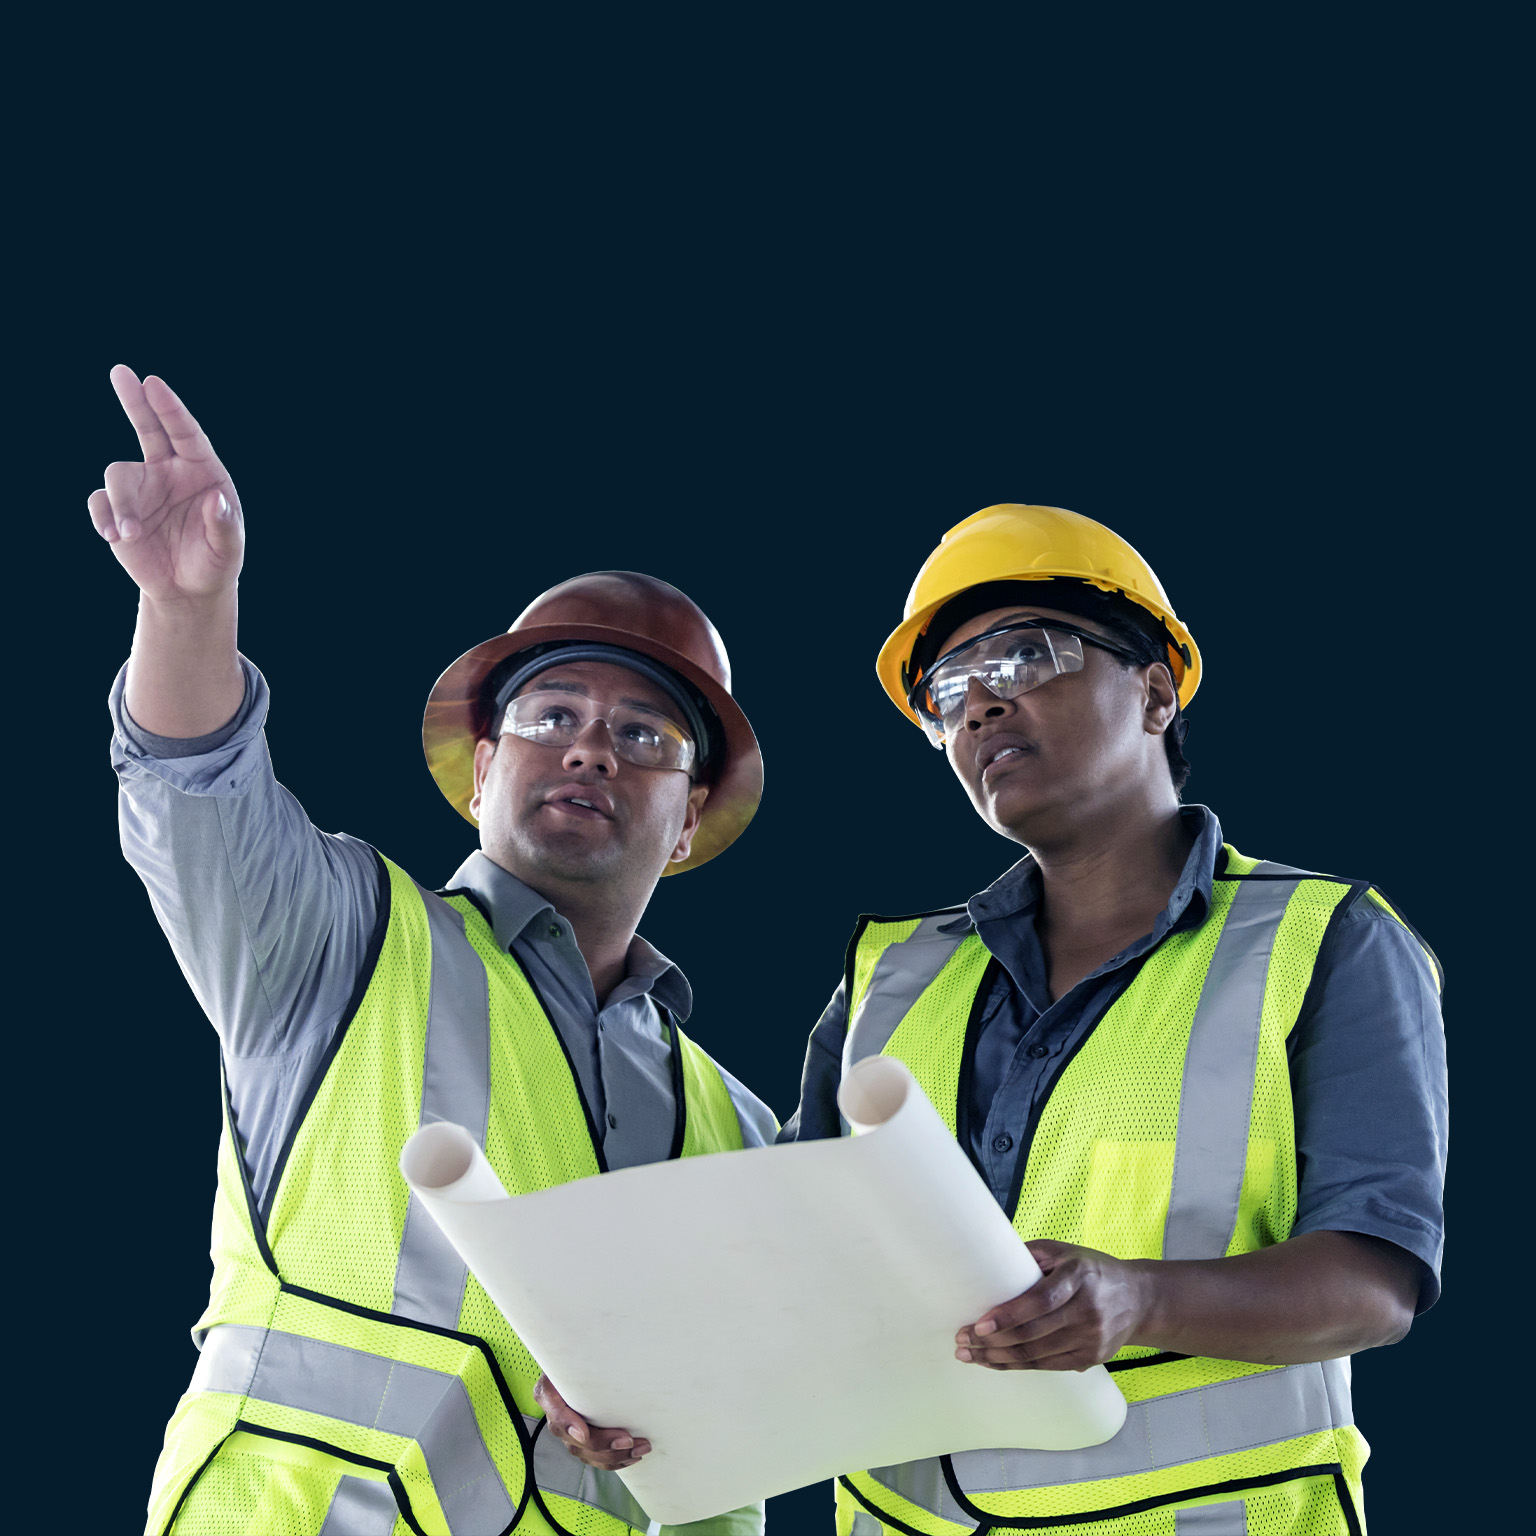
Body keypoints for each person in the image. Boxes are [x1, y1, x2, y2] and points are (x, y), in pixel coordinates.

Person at [94, 365, 776, 1536]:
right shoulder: (339, 939)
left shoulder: (740, 1132)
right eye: (550, 716)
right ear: (480, 775)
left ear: (691, 820)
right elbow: (195, 790)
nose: (590, 750)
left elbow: (739, 1446)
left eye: (642, 735)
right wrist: (188, 609)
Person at [781, 505, 1446, 1536]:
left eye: (1023, 657)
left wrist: (1138, 1299)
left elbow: (1375, 1285)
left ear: (1156, 691)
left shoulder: (1326, 942)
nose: (980, 705)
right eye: (948, 692)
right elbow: (787, 1257)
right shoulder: (892, 976)